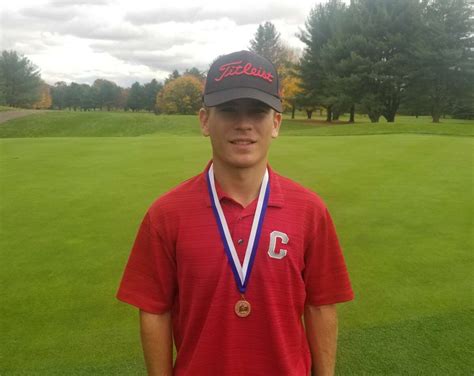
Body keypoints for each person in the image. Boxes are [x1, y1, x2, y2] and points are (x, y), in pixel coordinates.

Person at [117, 50, 354, 376]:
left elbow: (321, 305)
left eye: (257, 111)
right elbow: (155, 312)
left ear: (276, 123)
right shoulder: (166, 213)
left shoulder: (309, 210)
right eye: (228, 110)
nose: (243, 124)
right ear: (204, 121)